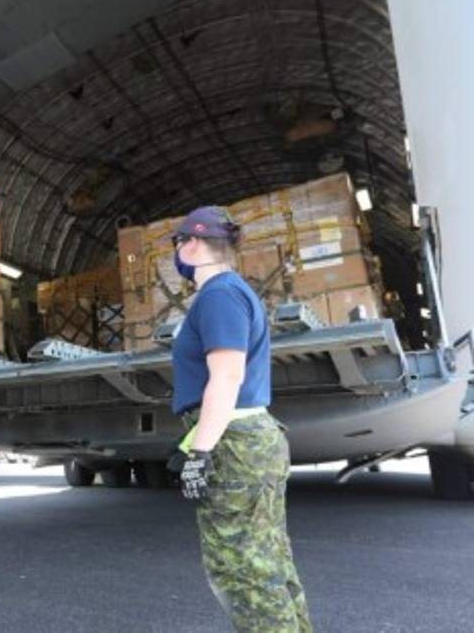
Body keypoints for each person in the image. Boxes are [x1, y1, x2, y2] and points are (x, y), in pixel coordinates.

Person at [166, 206, 311, 632]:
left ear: (191, 244)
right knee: (268, 561)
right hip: (249, 438)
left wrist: (200, 450)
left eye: (178, 244)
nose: (177, 254)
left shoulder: (218, 295)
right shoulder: (233, 292)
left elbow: (227, 377)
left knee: (242, 570)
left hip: (234, 442)